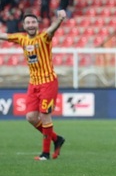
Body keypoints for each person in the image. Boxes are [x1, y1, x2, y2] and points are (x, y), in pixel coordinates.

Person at [0, 10, 67, 160]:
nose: (31, 25)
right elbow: (4, 36)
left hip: (48, 82)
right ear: (23, 25)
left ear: (37, 24)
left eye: (33, 22)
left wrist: (60, 19)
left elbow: (52, 29)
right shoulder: (21, 38)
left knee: (45, 116)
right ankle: (57, 139)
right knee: (30, 117)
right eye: (28, 23)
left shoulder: (44, 37)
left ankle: (45, 154)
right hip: (33, 84)